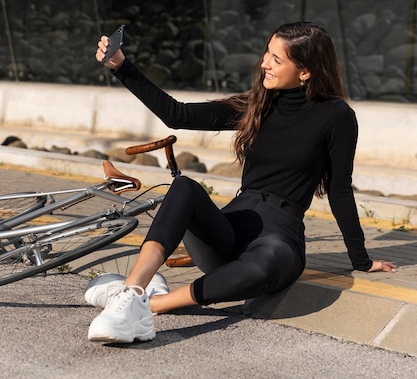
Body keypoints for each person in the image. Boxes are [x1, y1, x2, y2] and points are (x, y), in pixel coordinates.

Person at [87, 21, 396, 343]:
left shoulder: (337, 116)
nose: (265, 63)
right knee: (184, 187)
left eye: (277, 59)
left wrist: (360, 260)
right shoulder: (257, 104)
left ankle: (152, 304)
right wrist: (121, 66)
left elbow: (340, 190)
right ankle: (131, 292)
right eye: (267, 53)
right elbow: (177, 115)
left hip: (279, 238)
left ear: (305, 71)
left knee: (268, 260)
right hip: (229, 232)